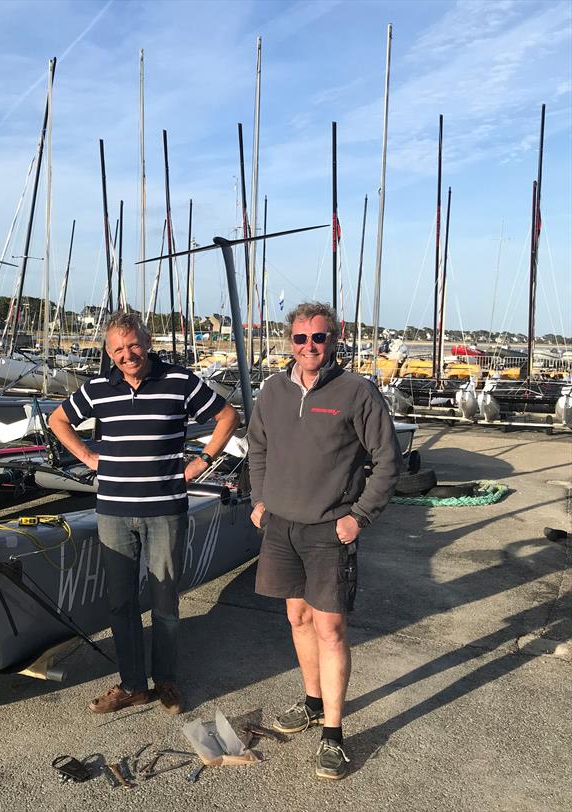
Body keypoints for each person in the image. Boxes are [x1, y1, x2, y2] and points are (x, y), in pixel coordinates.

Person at [48, 311, 239, 715]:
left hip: (165, 510)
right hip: (114, 511)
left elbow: (227, 417)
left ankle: (165, 680)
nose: (127, 354)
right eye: (118, 348)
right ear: (108, 352)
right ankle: (132, 684)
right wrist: (86, 455)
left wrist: (202, 461)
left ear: (147, 343)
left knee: (165, 601)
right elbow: (58, 419)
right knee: (120, 603)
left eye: (133, 344)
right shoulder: (98, 388)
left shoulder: (179, 381)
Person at [248, 302, 400, 780]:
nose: (309, 346)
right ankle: (313, 701)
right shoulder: (272, 389)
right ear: (288, 341)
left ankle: (332, 733)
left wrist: (360, 516)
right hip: (280, 528)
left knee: (330, 628)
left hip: (330, 529)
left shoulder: (356, 392)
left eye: (319, 337)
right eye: (300, 338)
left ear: (335, 339)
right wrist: (258, 500)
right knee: (297, 616)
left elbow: (388, 460)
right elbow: (259, 448)